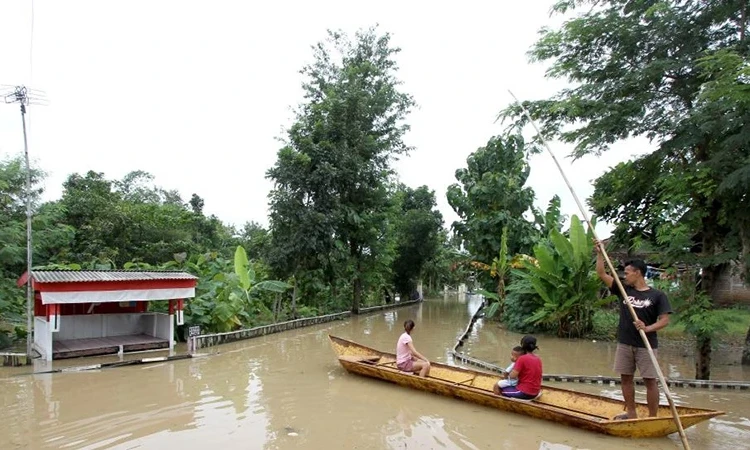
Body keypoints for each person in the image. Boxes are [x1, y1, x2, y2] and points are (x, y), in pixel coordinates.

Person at [595, 243, 672, 419]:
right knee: (626, 379)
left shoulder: (657, 296)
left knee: (650, 381)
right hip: (625, 343)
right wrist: (600, 254)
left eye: (628, 272)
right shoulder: (624, 289)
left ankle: (653, 417)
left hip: (646, 345)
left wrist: (647, 328)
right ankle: (631, 413)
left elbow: (665, 321)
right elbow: (601, 273)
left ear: (637, 272)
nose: (625, 275)